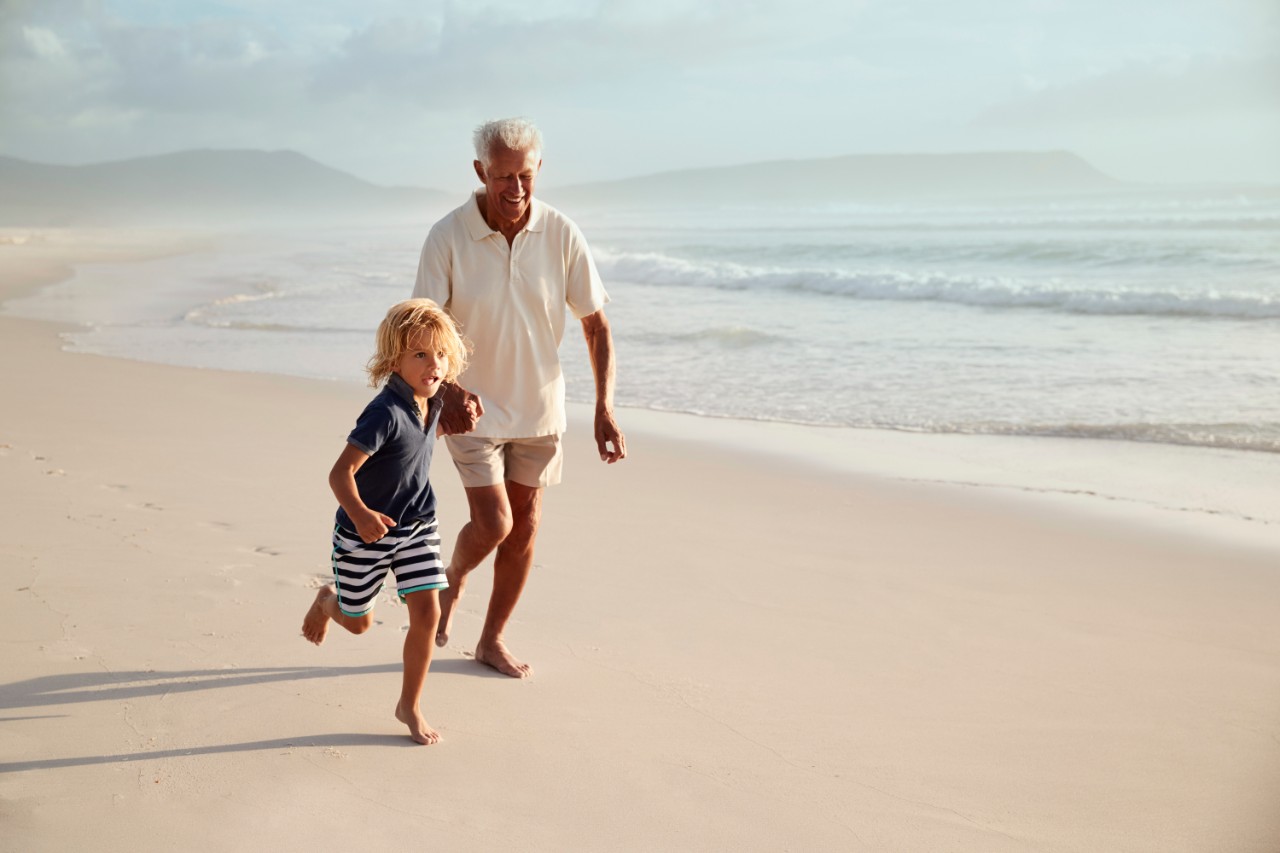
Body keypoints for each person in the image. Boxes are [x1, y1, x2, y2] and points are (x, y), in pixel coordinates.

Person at [413, 116, 626, 679]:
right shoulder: (448, 236)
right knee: (493, 524)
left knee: (524, 525)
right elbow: (424, 330)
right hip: (469, 408)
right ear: (481, 172)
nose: (515, 190)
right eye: (503, 177)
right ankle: (453, 577)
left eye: (525, 177)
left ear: (538, 172)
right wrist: (449, 390)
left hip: (540, 408)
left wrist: (604, 407)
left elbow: (596, 326)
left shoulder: (560, 233)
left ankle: (491, 638)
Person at [301, 298, 469, 745]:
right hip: (362, 535)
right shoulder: (384, 413)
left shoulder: (430, 398)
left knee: (428, 611)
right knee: (360, 624)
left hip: (416, 525)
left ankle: (408, 705)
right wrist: (360, 514)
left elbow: (421, 441)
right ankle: (326, 602)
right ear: (393, 359)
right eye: (420, 355)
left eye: (441, 355)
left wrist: (460, 415)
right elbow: (340, 473)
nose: (434, 365)